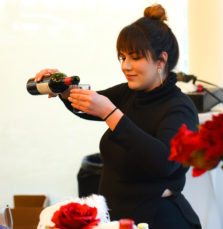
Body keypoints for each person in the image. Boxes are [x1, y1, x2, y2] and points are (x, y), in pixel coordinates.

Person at [34, 4, 201, 229]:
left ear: (161, 60)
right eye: (122, 57)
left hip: (160, 220)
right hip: (118, 219)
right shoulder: (129, 93)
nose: (125, 66)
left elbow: (163, 162)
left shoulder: (180, 108)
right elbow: (87, 104)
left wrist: (111, 114)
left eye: (135, 57)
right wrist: (62, 86)